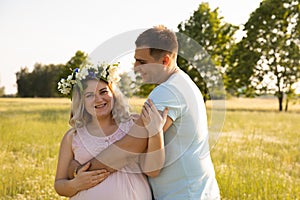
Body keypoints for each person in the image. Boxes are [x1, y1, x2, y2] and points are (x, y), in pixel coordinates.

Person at [68, 25, 220, 200]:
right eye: (135, 60)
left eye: (142, 62)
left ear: (165, 60)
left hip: (185, 194)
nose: (135, 67)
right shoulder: (181, 83)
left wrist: (80, 170)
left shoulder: (167, 92)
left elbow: (129, 148)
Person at [54, 62, 167, 199]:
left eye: (103, 92)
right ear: (81, 101)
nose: (98, 99)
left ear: (113, 93)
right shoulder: (73, 137)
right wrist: (76, 184)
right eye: (89, 95)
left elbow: (153, 170)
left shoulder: (133, 124)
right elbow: (59, 185)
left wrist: (156, 132)